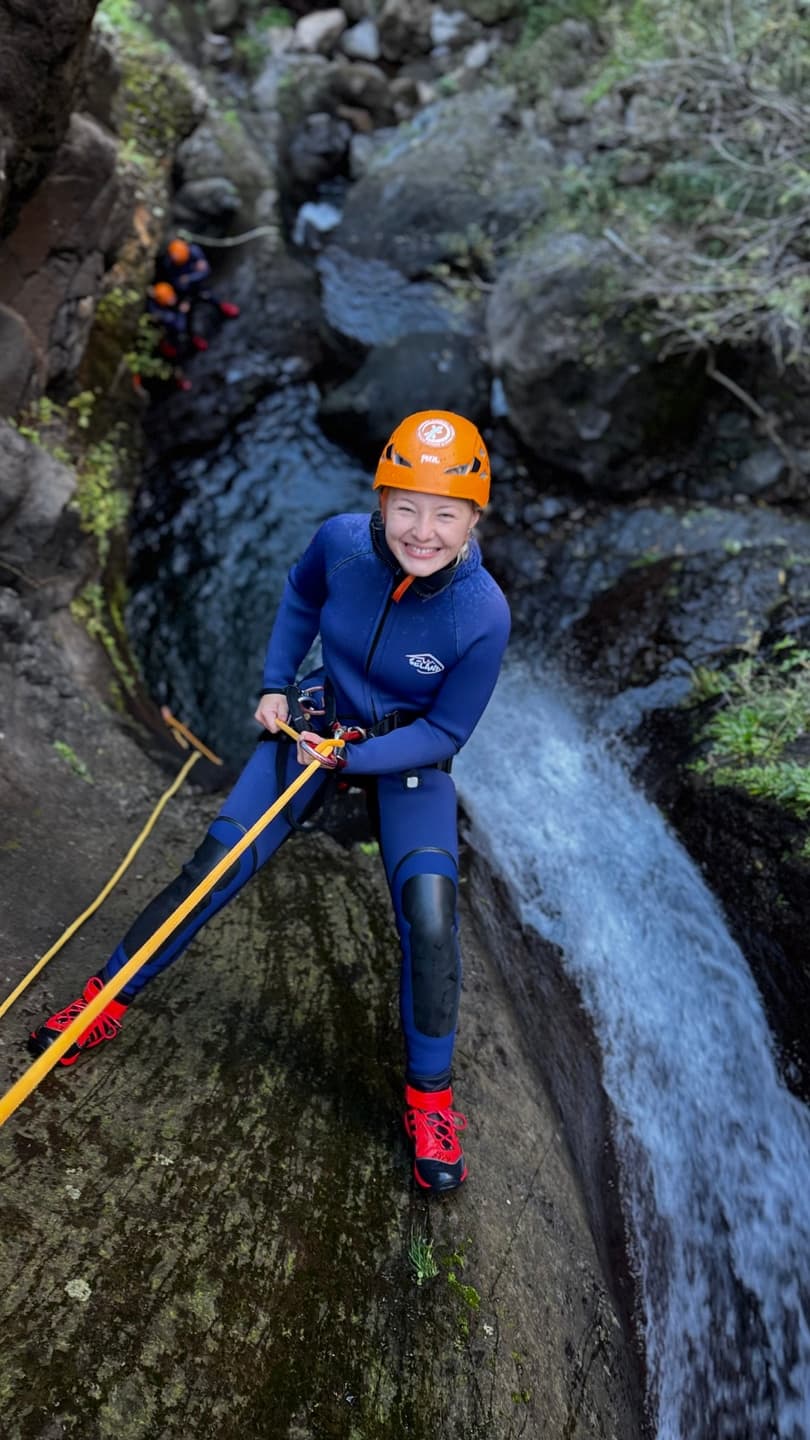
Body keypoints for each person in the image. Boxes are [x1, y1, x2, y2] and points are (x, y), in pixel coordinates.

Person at [28, 411, 511, 1195]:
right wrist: (274, 683)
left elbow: (447, 729)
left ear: (473, 519)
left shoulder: (481, 614)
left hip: (401, 759)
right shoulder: (343, 543)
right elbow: (297, 594)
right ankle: (103, 1000)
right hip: (317, 723)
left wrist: (356, 756)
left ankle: (430, 1099)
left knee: (429, 916)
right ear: (381, 501)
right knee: (211, 867)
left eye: (445, 513)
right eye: (406, 507)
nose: (422, 531)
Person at [157, 237, 241, 330]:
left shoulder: (194, 251)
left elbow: (206, 271)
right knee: (187, 312)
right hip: (184, 292)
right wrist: (190, 277)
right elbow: (176, 283)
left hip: (197, 285)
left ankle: (222, 307)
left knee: (208, 296)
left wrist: (189, 278)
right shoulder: (169, 264)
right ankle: (192, 337)